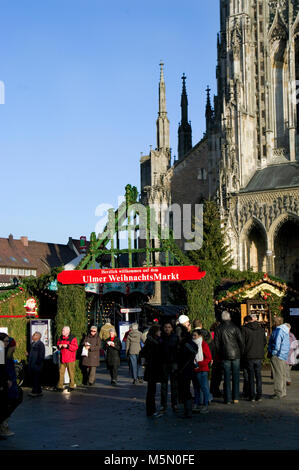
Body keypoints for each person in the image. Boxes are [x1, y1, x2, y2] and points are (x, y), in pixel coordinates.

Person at [214, 311, 244, 404]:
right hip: (236, 354)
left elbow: (217, 344)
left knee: (226, 377)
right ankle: (236, 397)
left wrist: (220, 353)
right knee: (236, 376)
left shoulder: (218, 329)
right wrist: (240, 352)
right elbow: (241, 342)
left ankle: (227, 398)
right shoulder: (235, 327)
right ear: (229, 318)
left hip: (225, 355)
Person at [0, 333, 23, 438]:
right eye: (5, 341)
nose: (7, 343)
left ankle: (3, 425)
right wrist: (6, 380)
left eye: (8, 341)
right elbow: (1, 369)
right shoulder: (2, 353)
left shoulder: (4, 353)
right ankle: (3, 425)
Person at [176, 315, 198, 418]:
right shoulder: (184, 336)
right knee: (185, 388)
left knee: (184, 387)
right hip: (185, 366)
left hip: (183, 366)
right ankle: (187, 409)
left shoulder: (183, 337)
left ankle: (186, 408)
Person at [139, 325, 163, 417]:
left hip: (150, 368)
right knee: (151, 391)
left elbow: (142, 353)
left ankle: (150, 410)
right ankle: (151, 410)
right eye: (159, 331)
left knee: (151, 390)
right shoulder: (154, 342)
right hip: (153, 367)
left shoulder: (149, 341)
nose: (160, 332)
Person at [242, 314, 267, 402]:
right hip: (259, 355)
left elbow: (242, 343)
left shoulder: (245, 329)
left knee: (251, 376)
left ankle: (252, 395)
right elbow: (264, 342)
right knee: (258, 376)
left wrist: (244, 352)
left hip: (249, 355)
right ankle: (259, 395)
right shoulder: (261, 329)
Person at [268, 322, 290, 399]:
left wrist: (274, 352)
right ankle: (283, 392)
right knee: (283, 374)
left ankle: (278, 393)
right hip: (283, 355)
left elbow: (277, 343)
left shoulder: (279, 330)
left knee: (277, 374)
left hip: (277, 355)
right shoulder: (286, 331)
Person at [160, 322, 179, 412]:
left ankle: (174, 403)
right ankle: (163, 404)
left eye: (169, 327)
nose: (167, 329)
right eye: (166, 327)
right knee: (164, 385)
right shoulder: (161, 338)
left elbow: (178, 350)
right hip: (164, 362)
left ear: (172, 328)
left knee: (174, 385)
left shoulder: (175, 337)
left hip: (173, 362)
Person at [192, 329, 212, 414]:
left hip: (202, 369)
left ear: (200, 336)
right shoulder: (192, 344)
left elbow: (208, 357)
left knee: (204, 388)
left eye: (195, 335)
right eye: (192, 335)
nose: (193, 337)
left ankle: (205, 405)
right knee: (196, 388)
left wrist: (200, 363)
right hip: (194, 369)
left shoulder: (203, 344)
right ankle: (196, 404)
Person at [57, 326, 78, 392]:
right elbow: (58, 344)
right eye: (62, 330)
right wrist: (59, 346)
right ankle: (60, 386)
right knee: (61, 372)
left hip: (70, 358)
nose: (62, 331)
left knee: (71, 373)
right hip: (63, 358)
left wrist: (67, 346)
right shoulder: (60, 338)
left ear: (68, 331)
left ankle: (71, 386)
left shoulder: (72, 338)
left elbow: (75, 347)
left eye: (63, 330)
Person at [28, 332, 45, 397]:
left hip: (37, 364)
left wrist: (38, 362)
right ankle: (39, 391)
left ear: (38, 336)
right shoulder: (32, 344)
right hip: (32, 364)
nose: (32, 336)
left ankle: (35, 391)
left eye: (34, 335)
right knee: (34, 378)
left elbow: (41, 354)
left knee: (36, 378)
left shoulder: (40, 344)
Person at [209, 321, 222, 398]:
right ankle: (215, 390)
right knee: (218, 376)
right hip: (218, 357)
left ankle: (213, 390)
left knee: (214, 375)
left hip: (213, 357)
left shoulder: (211, 334)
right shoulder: (217, 335)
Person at [241, 315, 253, 399]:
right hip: (256, 354)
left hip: (246, 354)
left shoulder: (243, 329)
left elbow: (241, 343)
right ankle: (253, 391)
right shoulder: (258, 329)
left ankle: (247, 390)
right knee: (254, 374)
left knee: (246, 374)